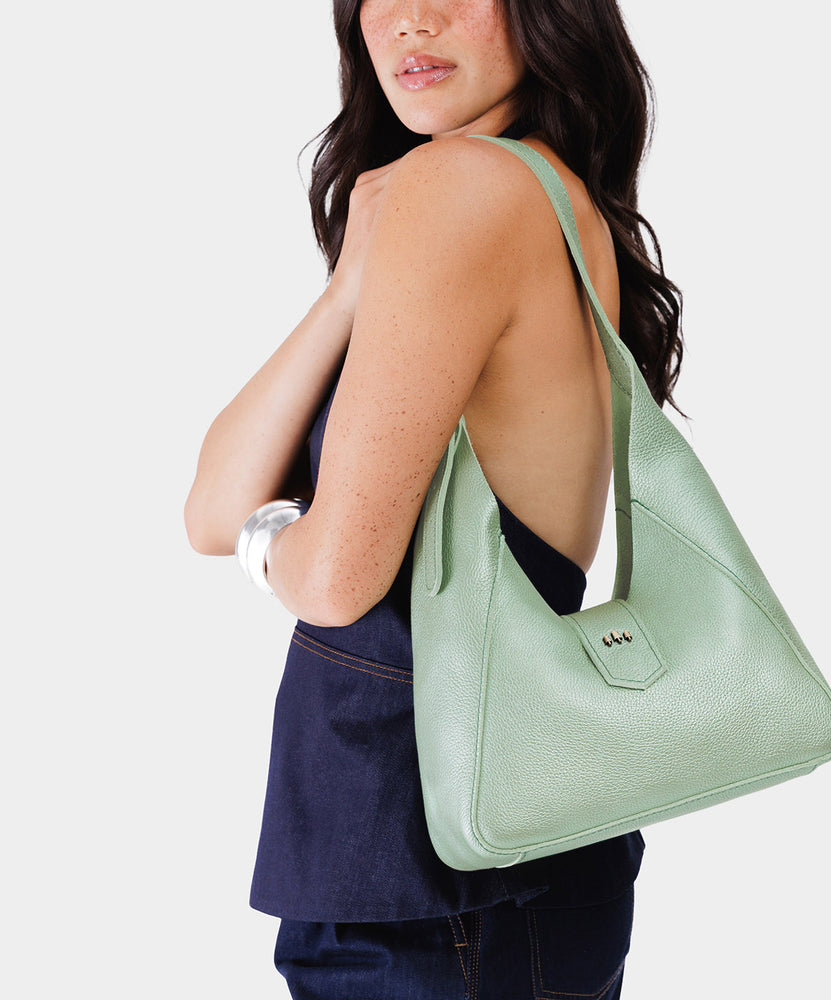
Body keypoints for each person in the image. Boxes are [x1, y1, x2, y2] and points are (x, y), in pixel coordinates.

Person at [185, 0, 684, 996]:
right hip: (485, 860)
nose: (411, 20)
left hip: (426, 873)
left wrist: (277, 535)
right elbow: (211, 508)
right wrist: (348, 286)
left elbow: (333, 580)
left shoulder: (464, 186)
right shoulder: (535, 191)